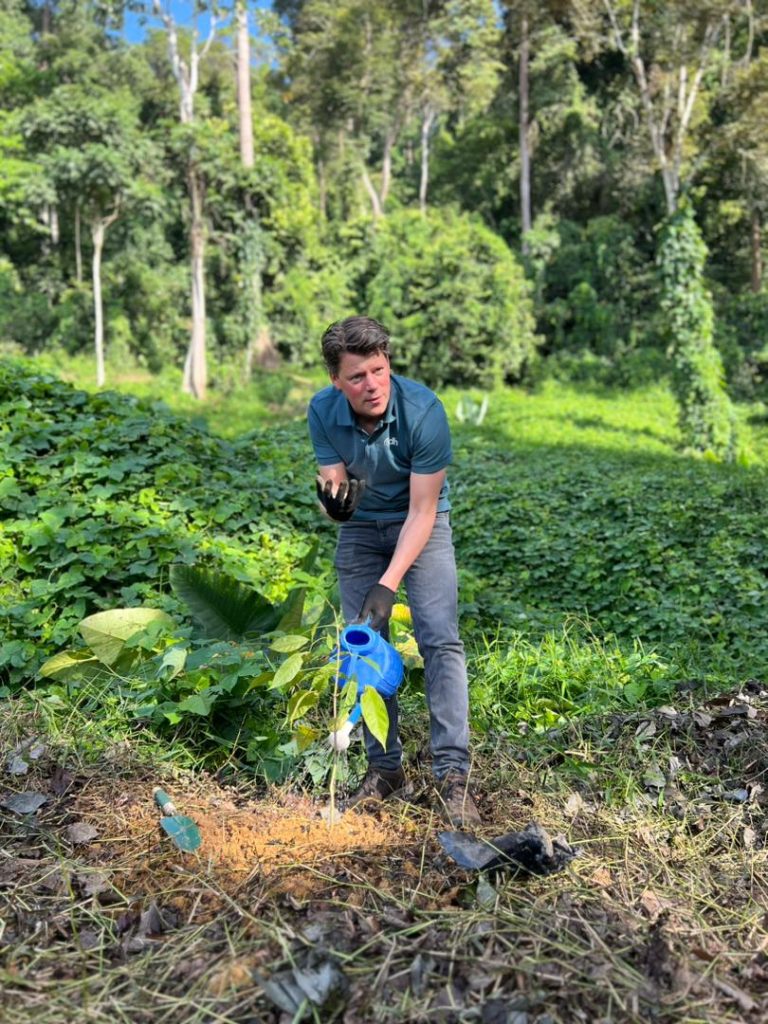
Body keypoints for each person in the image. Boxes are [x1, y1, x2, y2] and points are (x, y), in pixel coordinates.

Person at [307, 315, 481, 827]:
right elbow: (333, 487)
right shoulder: (322, 410)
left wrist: (388, 584)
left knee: (440, 640)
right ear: (336, 381)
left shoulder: (424, 411)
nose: (372, 385)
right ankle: (385, 770)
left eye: (378, 370)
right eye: (357, 376)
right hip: (362, 530)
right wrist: (334, 508)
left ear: (388, 363)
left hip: (423, 524)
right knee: (362, 646)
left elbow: (422, 512)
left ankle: (452, 775)